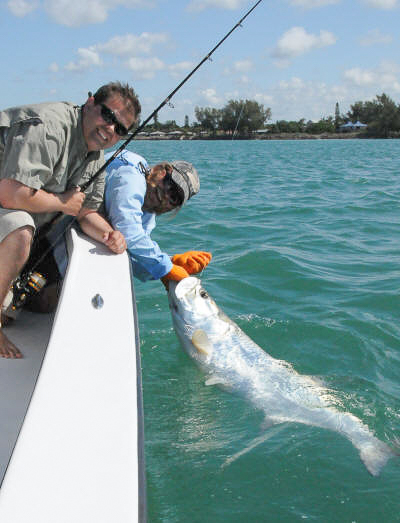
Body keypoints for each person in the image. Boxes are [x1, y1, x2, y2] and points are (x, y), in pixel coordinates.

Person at [0, 81, 141, 359]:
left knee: (45, 303)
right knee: (20, 229)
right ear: (89, 103)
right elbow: (10, 194)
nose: (110, 129)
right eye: (108, 115)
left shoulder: (96, 155)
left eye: (120, 129)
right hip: (7, 199)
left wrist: (109, 234)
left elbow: (85, 211)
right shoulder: (49, 127)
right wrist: (62, 203)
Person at [104, 149, 211, 286]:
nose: (166, 195)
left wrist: (172, 262)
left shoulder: (148, 214)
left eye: (174, 198)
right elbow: (128, 229)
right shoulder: (131, 176)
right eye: (169, 185)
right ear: (161, 171)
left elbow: (134, 257)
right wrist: (166, 267)